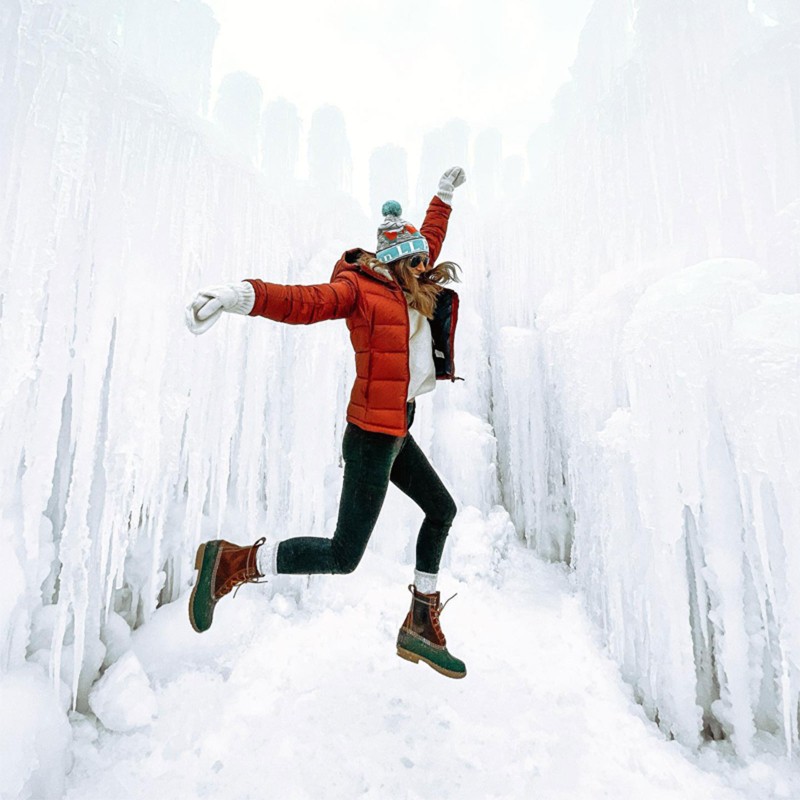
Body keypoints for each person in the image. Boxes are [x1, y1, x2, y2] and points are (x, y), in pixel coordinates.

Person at [184, 167, 467, 679]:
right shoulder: (358, 290)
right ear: (396, 262)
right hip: (370, 441)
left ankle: (420, 623)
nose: (427, 265)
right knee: (342, 555)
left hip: (396, 430)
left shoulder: (410, 285)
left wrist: (443, 197)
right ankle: (231, 562)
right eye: (417, 260)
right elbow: (303, 302)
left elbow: (431, 233)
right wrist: (240, 295)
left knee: (441, 510)